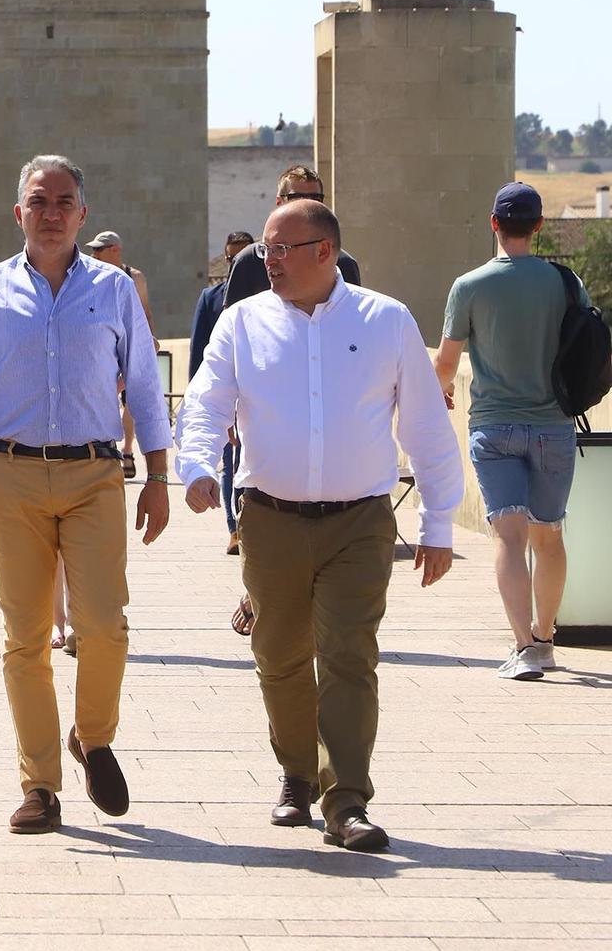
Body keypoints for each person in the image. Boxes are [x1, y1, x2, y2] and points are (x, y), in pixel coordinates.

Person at [180, 200, 458, 850]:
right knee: (278, 655)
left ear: (325, 252)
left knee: (348, 654)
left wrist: (439, 522)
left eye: (281, 249)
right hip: (270, 520)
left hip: (360, 521)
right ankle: (296, 776)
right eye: (263, 251)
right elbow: (206, 401)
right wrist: (196, 464)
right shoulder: (241, 323)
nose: (266, 260)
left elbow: (424, 426)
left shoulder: (384, 320)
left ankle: (347, 799)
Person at [0, 155, 169, 836]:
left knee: (103, 624)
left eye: (65, 201)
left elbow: (145, 388)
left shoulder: (114, 291)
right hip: (14, 477)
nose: (53, 211)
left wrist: (157, 476)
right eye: (39, 200)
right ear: (19, 213)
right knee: (26, 637)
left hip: (96, 475)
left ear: (83, 214)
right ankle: (40, 785)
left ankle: (92, 738)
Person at [434, 182, 574, 682]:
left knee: (509, 538)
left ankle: (523, 649)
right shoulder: (564, 281)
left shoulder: (469, 285)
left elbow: (447, 364)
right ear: (538, 226)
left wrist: (443, 389)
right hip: (554, 426)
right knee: (549, 535)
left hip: (493, 426)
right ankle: (546, 638)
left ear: (494, 222)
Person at [218, 166, 362, 633]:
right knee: (262, 503)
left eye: (317, 195)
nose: (309, 200)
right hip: (266, 412)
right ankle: (257, 586)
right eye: (298, 195)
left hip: (328, 416)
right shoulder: (249, 266)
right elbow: (227, 340)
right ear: (278, 202)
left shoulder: (346, 266)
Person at [189, 231, 256, 560]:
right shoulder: (211, 298)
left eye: (242, 255)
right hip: (225, 398)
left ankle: (248, 525)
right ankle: (234, 528)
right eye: (231, 257)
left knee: (249, 462)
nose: (235, 263)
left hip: (257, 403)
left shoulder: (271, 297)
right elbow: (199, 356)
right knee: (230, 465)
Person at [223, 165, 362, 305]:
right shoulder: (249, 261)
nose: (305, 204)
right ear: (279, 202)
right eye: (297, 197)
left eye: (315, 198)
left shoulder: (341, 262)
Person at [84, 230, 153, 478]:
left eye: (98, 250)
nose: (94, 254)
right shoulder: (89, 277)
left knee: (131, 401)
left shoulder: (134, 278)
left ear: (114, 250)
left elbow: (145, 314)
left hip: (130, 345)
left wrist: (150, 343)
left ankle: (127, 449)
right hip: (104, 348)